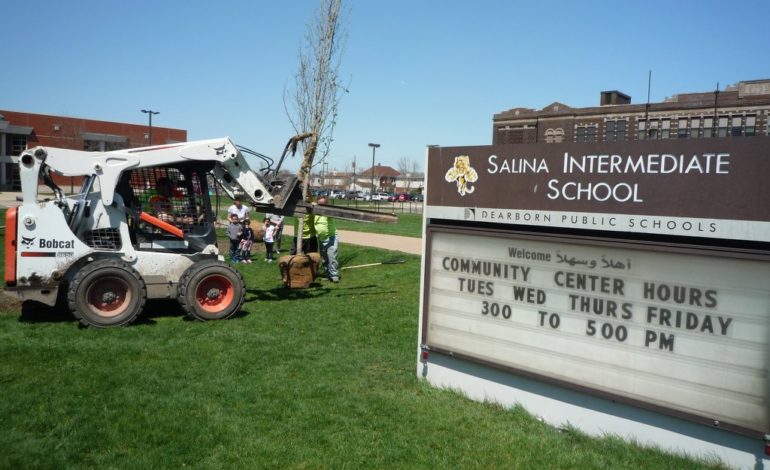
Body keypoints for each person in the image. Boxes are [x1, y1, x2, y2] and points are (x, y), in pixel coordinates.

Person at [315, 196, 339, 283]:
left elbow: (332, 213)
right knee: (324, 258)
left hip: (331, 237)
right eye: (319, 204)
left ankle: (334, 275)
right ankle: (328, 274)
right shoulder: (315, 212)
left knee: (332, 256)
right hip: (321, 238)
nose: (321, 206)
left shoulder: (329, 212)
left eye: (323, 204)